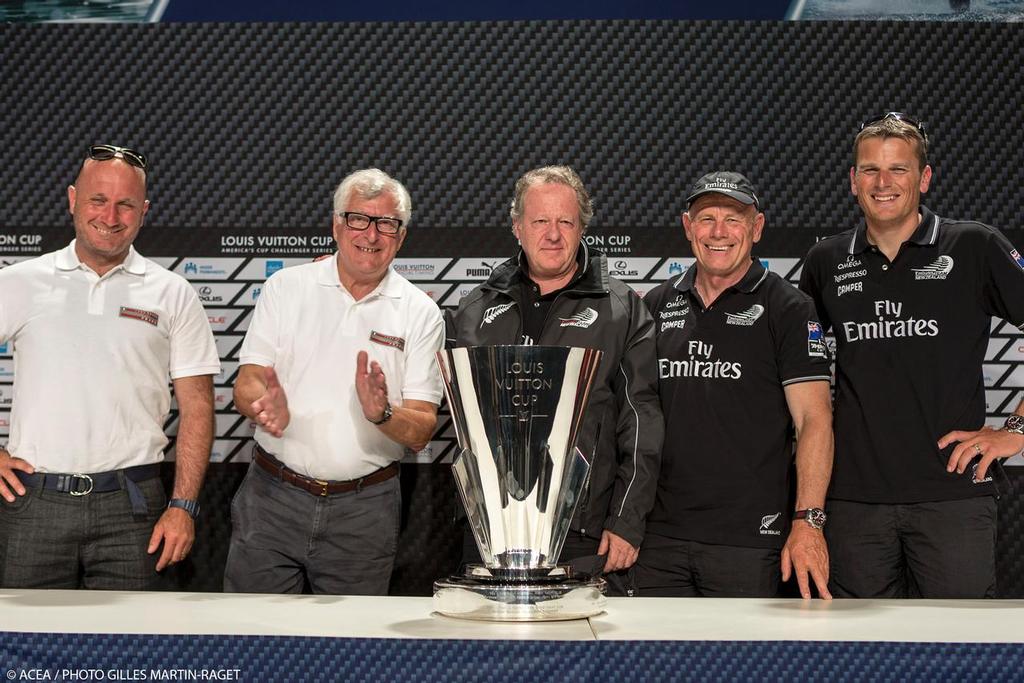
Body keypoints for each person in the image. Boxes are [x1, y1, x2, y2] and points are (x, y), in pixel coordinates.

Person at [800, 113, 1024, 598]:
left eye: (898, 169)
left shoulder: (974, 246)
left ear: (923, 178)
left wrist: (1016, 430)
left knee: (958, 655)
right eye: (870, 170)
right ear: (853, 180)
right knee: (858, 657)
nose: (884, 183)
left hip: (952, 499)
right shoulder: (825, 261)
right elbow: (803, 376)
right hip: (853, 501)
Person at [0, 144, 219, 589]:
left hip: (133, 507)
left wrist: (184, 506)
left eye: (126, 204)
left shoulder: (173, 293)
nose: (111, 216)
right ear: (72, 200)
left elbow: (198, 407)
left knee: (132, 651)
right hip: (33, 501)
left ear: (145, 211)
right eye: (98, 200)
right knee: (24, 649)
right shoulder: (19, 282)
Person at [445, 165, 663, 593]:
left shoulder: (621, 310)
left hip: (582, 530)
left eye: (566, 221)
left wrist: (626, 520)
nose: (553, 234)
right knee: (490, 654)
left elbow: (642, 425)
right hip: (489, 533)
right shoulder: (473, 310)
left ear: (582, 227)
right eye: (540, 221)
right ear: (517, 227)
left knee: (581, 654)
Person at [226, 168, 443, 595]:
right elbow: (248, 382)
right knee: (250, 638)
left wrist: (381, 413)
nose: (371, 234)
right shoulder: (285, 288)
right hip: (272, 498)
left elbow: (421, 430)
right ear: (337, 225)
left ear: (401, 237)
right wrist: (264, 405)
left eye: (387, 223)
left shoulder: (420, 312)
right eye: (359, 218)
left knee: (350, 652)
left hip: (365, 511)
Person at [635, 172, 834, 598]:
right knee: (653, 665)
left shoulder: (789, 308)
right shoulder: (653, 306)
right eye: (706, 218)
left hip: (749, 540)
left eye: (734, 219)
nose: (719, 232)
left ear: (757, 228)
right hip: (660, 539)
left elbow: (814, 420)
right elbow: (632, 419)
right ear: (688, 227)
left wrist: (808, 522)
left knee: (743, 666)